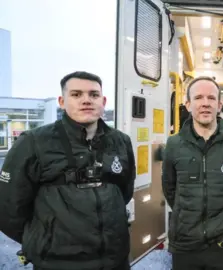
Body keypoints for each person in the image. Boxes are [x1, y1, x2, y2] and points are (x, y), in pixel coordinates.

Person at [0, 71, 136, 270]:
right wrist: (41, 240)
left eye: (94, 95)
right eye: (76, 94)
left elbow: (125, 190)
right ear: (62, 101)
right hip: (57, 262)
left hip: (115, 259)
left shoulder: (120, 141)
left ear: (103, 101)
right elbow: (9, 207)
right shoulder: (34, 142)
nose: (86, 100)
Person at [162, 76, 223, 270]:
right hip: (185, 240)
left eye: (211, 98)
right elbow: (169, 188)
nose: (205, 104)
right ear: (188, 104)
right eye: (198, 98)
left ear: (219, 105)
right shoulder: (173, 144)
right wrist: (185, 213)